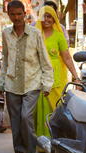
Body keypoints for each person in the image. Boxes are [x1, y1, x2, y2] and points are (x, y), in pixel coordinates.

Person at [0, 0, 54, 153]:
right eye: (13, 14)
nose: (17, 17)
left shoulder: (35, 33)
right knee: (15, 123)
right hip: (12, 84)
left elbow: (45, 60)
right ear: (8, 15)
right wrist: (2, 84)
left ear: (25, 14)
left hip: (32, 83)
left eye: (19, 14)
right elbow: (6, 59)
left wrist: (47, 84)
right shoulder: (6, 33)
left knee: (25, 118)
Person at [35, 5, 80, 140]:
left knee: (56, 108)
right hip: (38, 77)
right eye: (44, 16)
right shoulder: (35, 34)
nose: (46, 19)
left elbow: (66, 57)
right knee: (40, 110)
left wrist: (76, 76)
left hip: (56, 78)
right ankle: (42, 140)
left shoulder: (59, 36)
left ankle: (57, 140)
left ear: (54, 19)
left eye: (49, 16)